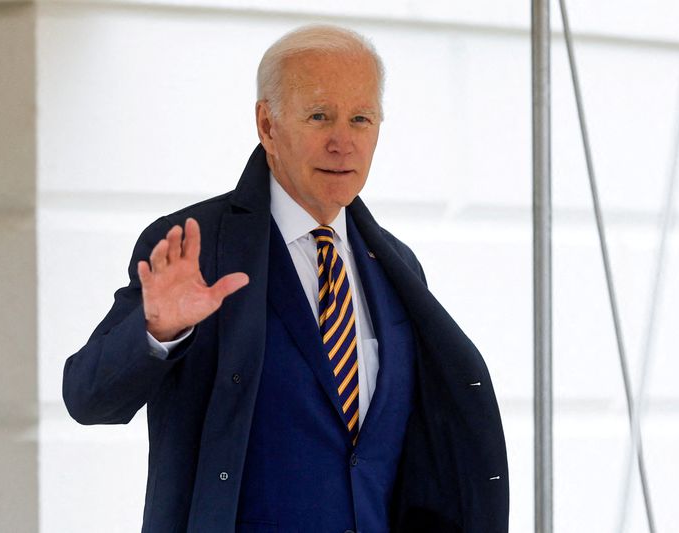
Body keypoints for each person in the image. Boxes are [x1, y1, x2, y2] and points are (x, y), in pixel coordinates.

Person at [63, 24, 508, 533]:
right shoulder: (194, 247)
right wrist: (157, 330)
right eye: (319, 116)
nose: (343, 142)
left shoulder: (398, 266)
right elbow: (87, 399)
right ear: (267, 124)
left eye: (361, 119)